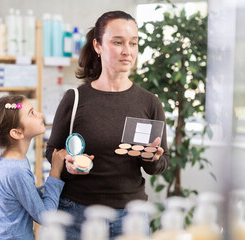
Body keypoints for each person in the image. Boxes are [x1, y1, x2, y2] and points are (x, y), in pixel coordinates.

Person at [46, 10, 170, 240]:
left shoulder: (149, 102)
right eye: (117, 42)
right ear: (97, 45)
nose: (127, 51)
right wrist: (69, 163)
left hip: (130, 217)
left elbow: (161, 163)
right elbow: (51, 150)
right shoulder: (75, 99)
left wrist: (152, 158)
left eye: (133, 43)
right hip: (77, 215)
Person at [0, 95, 67, 240]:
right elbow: (46, 217)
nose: (40, 115)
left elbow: (22, 197)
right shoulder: (15, 169)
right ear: (17, 132)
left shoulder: (8, 159)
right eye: (31, 113)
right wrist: (55, 172)